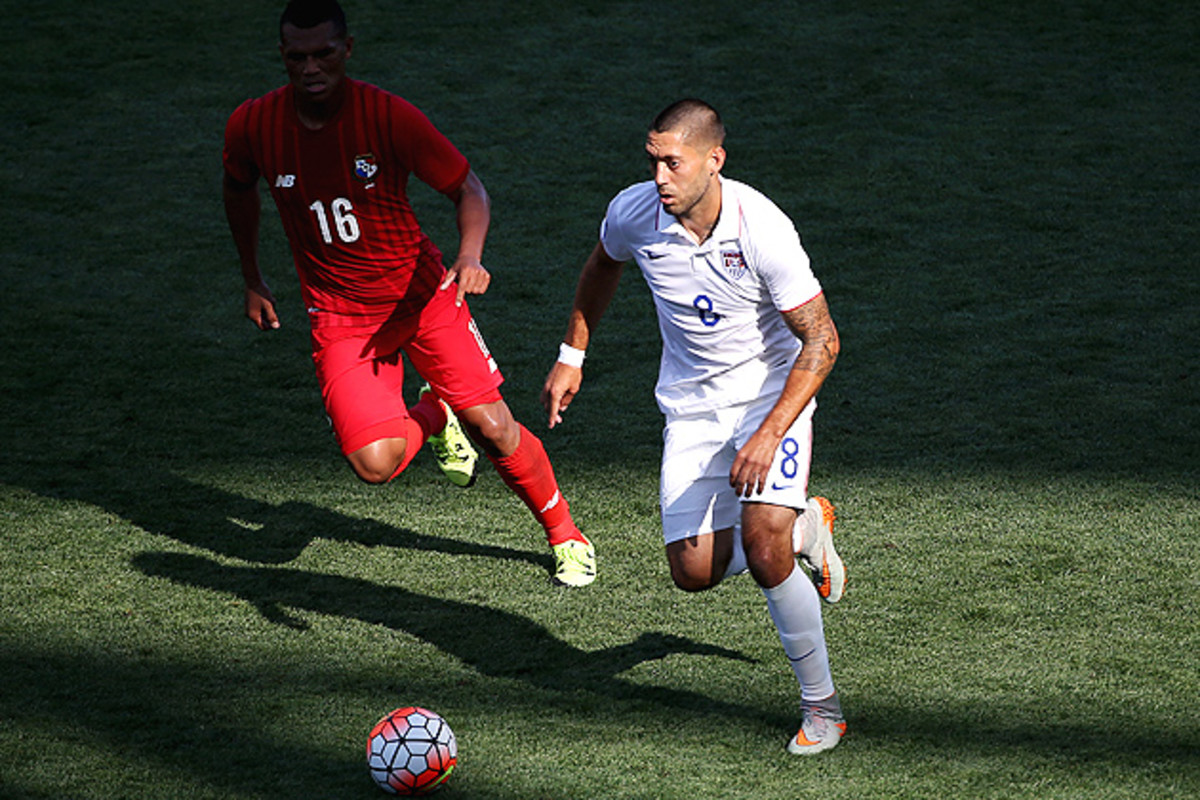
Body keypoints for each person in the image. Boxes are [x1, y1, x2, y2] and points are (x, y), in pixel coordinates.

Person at [222, 0, 594, 587]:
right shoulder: (254, 125)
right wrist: (252, 276)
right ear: (282, 57)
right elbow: (238, 187)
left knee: (494, 428)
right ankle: (433, 409)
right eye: (298, 57)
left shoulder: (388, 117)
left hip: (424, 297)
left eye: (324, 54)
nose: (311, 67)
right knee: (375, 465)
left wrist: (469, 255)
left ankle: (564, 533)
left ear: (348, 49)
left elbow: (467, 187)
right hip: (342, 319)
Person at [542, 99, 847, 751]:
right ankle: (805, 527)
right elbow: (602, 265)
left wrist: (769, 433)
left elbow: (821, 341)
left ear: (714, 161)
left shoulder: (761, 228)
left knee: (762, 549)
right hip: (691, 408)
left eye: (672, 163)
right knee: (691, 571)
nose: (659, 177)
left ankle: (822, 707)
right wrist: (573, 355)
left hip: (771, 396)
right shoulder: (635, 213)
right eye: (652, 161)